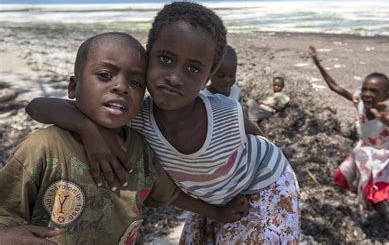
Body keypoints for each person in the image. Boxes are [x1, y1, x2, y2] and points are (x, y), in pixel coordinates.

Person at [26, 2, 300, 243]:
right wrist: (88, 129)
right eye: (165, 59)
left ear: (208, 77)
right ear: (148, 55)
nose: (173, 77)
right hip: (214, 197)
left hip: (264, 183)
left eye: (193, 69)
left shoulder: (225, 112)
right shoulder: (135, 118)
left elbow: (256, 134)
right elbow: (38, 106)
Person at [0, 32, 247, 244]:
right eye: (105, 75)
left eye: (136, 82)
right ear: (74, 86)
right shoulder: (43, 147)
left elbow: (170, 194)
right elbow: (7, 207)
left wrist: (217, 212)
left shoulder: (140, 148)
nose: (121, 87)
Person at [308, 45, 389, 218]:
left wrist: (386, 121)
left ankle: (385, 218)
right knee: (347, 178)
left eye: (374, 91)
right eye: (365, 89)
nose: (367, 94)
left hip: (381, 157)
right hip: (363, 149)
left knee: (376, 194)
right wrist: (317, 63)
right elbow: (335, 87)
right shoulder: (360, 103)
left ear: (386, 97)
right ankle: (379, 210)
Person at [201, 44, 264, 136]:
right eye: (221, 76)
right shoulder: (204, 97)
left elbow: (242, 117)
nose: (227, 80)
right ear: (209, 73)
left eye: (232, 75)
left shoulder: (235, 90)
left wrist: (260, 136)